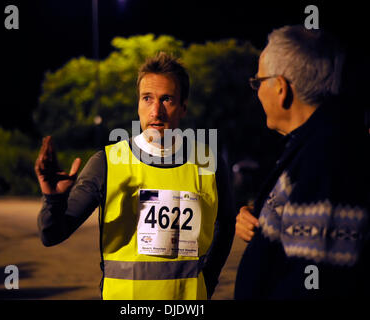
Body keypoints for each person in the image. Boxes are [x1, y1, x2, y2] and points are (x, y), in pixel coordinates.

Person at [35, 52, 236, 300]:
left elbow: (225, 226)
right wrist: (53, 200)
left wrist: (208, 281)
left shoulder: (209, 162)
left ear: (183, 106)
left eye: (167, 99)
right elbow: (52, 235)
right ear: (138, 104)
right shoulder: (106, 163)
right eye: (147, 98)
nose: (156, 111)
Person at [234, 25, 370, 299]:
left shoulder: (326, 157)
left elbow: (312, 280)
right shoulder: (311, 147)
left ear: (281, 88)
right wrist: (264, 217)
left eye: (258, 82)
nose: (257, 92)